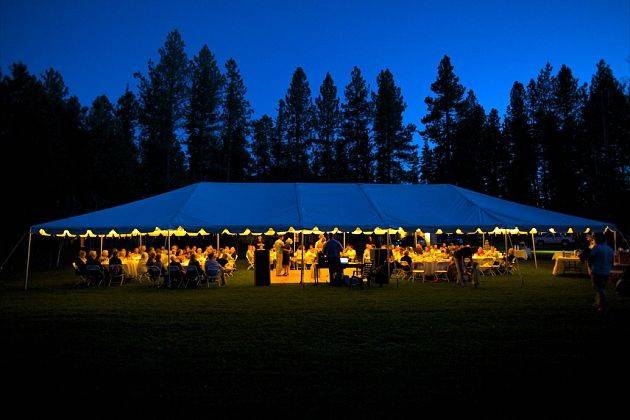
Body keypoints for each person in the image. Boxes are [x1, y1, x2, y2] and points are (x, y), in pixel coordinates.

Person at [588, 232, 614, 313]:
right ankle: (598, 303)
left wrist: (590, 268)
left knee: (598, 288)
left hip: (597, 270)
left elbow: (591, 259)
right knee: (601, 288)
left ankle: (603, 305)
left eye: (594, 238)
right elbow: (612, 261)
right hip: (606, 271)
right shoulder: (609, 249)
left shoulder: (597, 248)